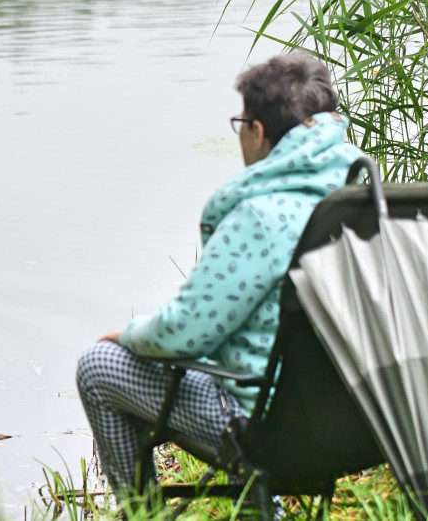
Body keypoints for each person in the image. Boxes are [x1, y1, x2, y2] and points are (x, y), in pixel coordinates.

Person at [76, 53, 362, 501]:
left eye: (241, 123)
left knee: (97, 367)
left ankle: (141, 513)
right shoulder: (363, 197)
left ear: (259, 132)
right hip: (364, 422)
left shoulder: (261, 216)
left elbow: (185, 334)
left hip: (275, 432)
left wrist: (129, 334)